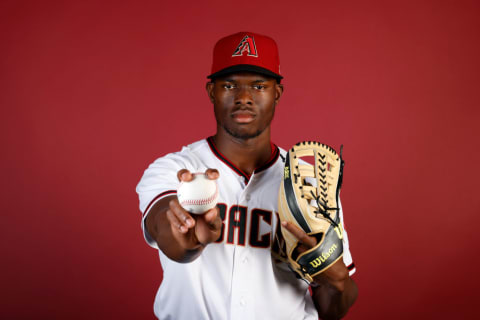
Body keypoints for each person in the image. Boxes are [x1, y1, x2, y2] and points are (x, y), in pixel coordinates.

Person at [136, 31, 358, 320]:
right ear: (211, 92)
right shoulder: (176, 171)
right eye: (229, 85)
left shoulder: (309, 182)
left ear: (276, 93)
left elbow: (335, 305)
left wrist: (336, 279)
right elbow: (168, 233)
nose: (243, 98)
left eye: (258, 86)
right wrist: (188, 238)